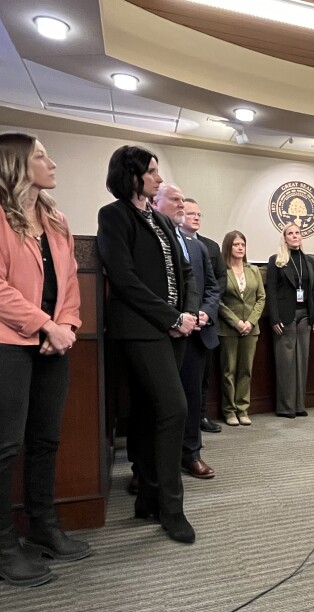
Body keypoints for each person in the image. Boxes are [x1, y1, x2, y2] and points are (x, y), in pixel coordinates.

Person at [0, 132, 90, 587]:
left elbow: (70, 282)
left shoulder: (55, 217)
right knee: (4, 446)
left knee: (46, 441)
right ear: (14, 164)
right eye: (40, 156)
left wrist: (67, 326)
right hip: (0, 345)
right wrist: (44, 325)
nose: (51, 163)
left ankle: (43, 525)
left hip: (54, 343)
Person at [97, 146, 199, 543]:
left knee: (148, 411)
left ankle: (149, 501)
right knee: (175, 408)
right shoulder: (114, 215)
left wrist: (186, 314)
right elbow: (123, 277)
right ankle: (172, 508)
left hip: (174, 330)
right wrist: (170, 317)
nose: (158, 179)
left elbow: (185, 271)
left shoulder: (159, 218)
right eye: (151, 172)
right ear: (132, 175)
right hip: (141, 329)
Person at [154, 184, 221, 480]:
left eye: (186, 203)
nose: (182, 207)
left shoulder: (198, 246)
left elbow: (211, 286)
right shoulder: (155, 240)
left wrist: (205, 311)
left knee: (192, 398)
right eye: (177, 201)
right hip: (161, 333)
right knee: (158, 400)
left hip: (196, 334)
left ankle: (190, 454)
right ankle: (147, 465)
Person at [266, 223, 314, 418]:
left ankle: (299, 405)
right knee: (286, 363)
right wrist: (274, 318)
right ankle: (286, 407)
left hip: (305, 316)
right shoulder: (277, 261)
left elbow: (313, 290)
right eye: (290, 233)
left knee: (302, 362)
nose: (295, 236)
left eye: (297, 233)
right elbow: (270, 292)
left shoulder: (308, 261)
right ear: (285, 238)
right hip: (284, 318)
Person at [183, 197, 228, 435]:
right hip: (180, 323)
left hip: (206, 320)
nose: (196, 217)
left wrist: (206, 310)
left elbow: (220, 279)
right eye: (191, 214)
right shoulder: (173, 243)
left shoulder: (210, 246)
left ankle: (201, 417)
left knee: (203, 377)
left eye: (199, 214)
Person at [218, 230, 265, 426]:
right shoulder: (222, 270)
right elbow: (217, 300)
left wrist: (250, 322)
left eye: (242, 245)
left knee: (246, 370)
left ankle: (243, 408)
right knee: (229, 370)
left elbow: (261, 298)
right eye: (236, 244)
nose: (240, 248)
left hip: (250, 329)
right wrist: (236, 322)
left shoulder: (253, 270)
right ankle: (229, 411)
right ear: (228, 246)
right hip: (229, 329)